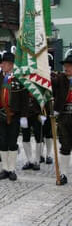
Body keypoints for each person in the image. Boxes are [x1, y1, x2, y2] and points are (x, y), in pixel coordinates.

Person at [0, 52, 28, 181]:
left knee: (12, 142)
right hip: (0, 115)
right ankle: (4, 168)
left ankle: (12, 169)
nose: (3, 65)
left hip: (14, 115)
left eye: (5, 63)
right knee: (3, 142)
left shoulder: (19, 78)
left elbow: (24, 99)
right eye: (3, 63)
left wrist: (24, 116)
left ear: (11, 65)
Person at [53, 54, 72, 185]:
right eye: (65, 66)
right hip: (64, 115)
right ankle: (63, 174)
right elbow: (50, 83)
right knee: (64, 146)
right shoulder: (60, 79)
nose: (66, 68)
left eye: (69, 66)